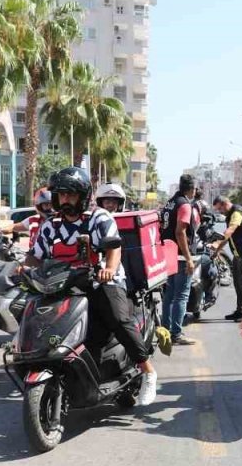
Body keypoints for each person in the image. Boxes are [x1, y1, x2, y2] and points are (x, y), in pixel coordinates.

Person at [26, 167, 158, 406]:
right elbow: (35, 256)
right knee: (36, 314)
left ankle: (148, 371)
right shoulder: (50, 226)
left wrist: (108, 268)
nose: (65, 200)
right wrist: (23, 268)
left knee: (117, 318)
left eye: (71, 194)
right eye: (61, 195)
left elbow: (113, 248)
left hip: (102, 280)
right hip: (63, 284)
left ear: (82, 196)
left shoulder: (99, 218)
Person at [159, 174, 199, 346]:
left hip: (168, 253)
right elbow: (180, 232)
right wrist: (189, 258)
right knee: (181, 296)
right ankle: (176, 334)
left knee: (169, 295)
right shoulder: (185, 205)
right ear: (191, 189)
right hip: (181, 255)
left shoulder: (170, 202)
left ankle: (165, 330)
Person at [210, 195, 242, 322]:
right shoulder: (230, 214)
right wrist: (217, 251)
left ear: (225, 204)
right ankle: (240, 310)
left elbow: (230, 231)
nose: (220, 212)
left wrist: (216, 244)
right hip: (238, 254)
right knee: (237, 283)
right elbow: (228, 237)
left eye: (220, 209)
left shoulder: (237, 212)